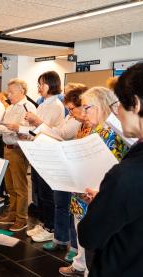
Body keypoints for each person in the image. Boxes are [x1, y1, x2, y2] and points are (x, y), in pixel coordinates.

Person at [77, 63, 143, 277]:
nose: (118, 113)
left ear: (136, 104)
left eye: (120, 106)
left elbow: (89, 236)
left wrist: (106, 201)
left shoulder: (127, 174)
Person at [59, 86, 128, 276]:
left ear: (101, 105)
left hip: (97, 194)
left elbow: (114, 167)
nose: (83, 112)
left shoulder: (114, 131)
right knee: (82, 234)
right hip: (84, 192)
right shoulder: (95, 129)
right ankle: (80, 265)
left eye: (87, 107)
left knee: (95, 247)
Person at [39, 85, 88, 264]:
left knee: (75, 211)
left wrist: (42, 127)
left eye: (72, 108)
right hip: (66, 165)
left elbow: (64, 134)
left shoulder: (88, 124)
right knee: (61, 204)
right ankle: (60, 240)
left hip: (79, 172)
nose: (70, 112)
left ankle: (75, 249)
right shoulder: (72, 116)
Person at [0, 79, 36, 231]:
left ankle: (22, 218)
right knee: (10, 185)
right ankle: (13, 213)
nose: (9, 95)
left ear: (22, 92)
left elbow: (28, 129)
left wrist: (3, 128)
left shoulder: (28, 107)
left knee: (19, 186)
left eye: (12, 92)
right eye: (8, 92)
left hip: (18, 149)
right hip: (7, 147)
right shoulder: (11, 107)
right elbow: (6, 125)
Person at [25, 71, 65, 243]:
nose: (39, 88)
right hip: (38, 150)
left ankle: (50, 226)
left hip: (48, 152)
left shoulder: (56, 104)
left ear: (50, 85)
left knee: (47, 193)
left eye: (41, 84)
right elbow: (35, 128)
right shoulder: (43, 104)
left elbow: (46, 129)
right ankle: (44, 222)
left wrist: (35, 121)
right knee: (39, 192)